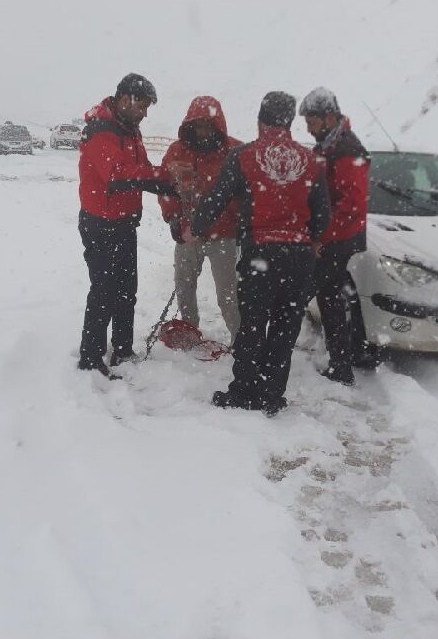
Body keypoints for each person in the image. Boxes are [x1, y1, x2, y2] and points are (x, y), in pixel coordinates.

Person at [190, 91, 331, 416]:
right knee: (285, 327)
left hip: (260, 254)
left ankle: (244, 392)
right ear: (289, 121)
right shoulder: (310, 162)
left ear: (260, 121)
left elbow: (217, 199)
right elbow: (322, 216)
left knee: (253, 324)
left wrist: (196, 226)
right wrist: (308, 239)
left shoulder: (243, 156)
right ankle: (271, 394)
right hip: (297, 258)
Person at [77, 73, 175, 377]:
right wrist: (165, 178)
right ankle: (91, 358)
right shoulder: (101, 131)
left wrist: (172, 184)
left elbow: (142, 170)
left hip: (123, 225)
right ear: (124, 100)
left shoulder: (130, 131)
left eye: (147, 107)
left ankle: (122, 349)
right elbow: (119, 175)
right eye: (142, 106)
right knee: (104, 291)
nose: (145, 113)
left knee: (125, 291)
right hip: (100, 225)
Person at [300, 87, 373, 386]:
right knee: (333, 300)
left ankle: (343, 365)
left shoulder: (345, 150)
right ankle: (347, 359)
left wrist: (322, 239)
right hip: (337, 239)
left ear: (329, 117)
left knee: (308, 296)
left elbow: (351, 206)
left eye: (312, 121)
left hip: (338, 241)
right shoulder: (330, 145)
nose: (308, 127)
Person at [159, 96, 242, 342]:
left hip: (223, 234)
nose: (203, 131)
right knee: (184, 286)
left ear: (218, 125)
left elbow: (245, 195)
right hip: (187, 233)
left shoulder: (235, 151)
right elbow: (166, 187)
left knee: (228, 293)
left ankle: (241, 339)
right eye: (198, 125)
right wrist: (173, 217)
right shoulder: (177, 150)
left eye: (208, 125)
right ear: (190, 125)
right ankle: (188, 331)